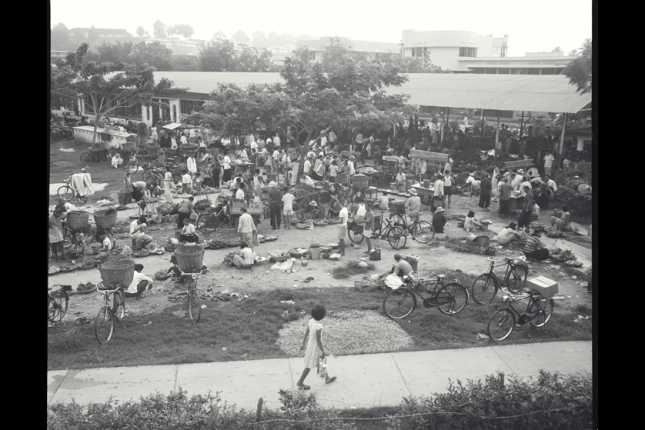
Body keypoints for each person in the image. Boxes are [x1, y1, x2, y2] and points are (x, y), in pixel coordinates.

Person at [296, 304, 337, 390]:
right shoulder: (319, 326)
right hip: (315, 347)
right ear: (322, 316)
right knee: (309, 366)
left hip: (310, 345)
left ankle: (327, 378)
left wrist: (303, 343)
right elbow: (318, 340)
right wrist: (323, 351)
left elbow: (306, 331)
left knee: (320, 362)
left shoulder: (310, 321)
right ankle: (300, 382)